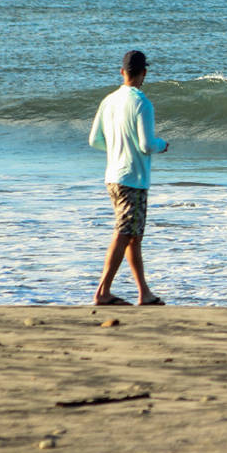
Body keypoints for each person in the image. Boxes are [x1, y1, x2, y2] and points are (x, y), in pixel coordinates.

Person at [88, 50, 169, 306]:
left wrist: (117, 149)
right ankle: (102, 291)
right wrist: (163, 144)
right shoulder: (142, 102)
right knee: (125, 233)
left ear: (122, 72)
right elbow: (146, 145)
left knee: (134, 235)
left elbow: (94, 140)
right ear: (144, 73)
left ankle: (144, 292)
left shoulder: (109, 100)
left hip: (112, 176)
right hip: (133, 178)